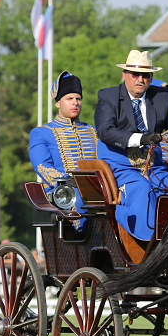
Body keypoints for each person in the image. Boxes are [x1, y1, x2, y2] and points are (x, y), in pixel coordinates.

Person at [95, 50, 168, 242]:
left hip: (155, 167)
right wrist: (141, 139)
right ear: (124, 75)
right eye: (135, 74)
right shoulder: (108, 96)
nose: (140, 79)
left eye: (145, 75)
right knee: (142, 188)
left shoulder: (161, 97)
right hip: (122, 166)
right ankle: (148, 241)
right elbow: (105, 131)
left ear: (151, 77)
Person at [28, 71, 100, 229]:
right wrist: (70, 181)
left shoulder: (94, 131)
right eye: (69, 98)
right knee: (81, 198)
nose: (75, 102)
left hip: (97, 188)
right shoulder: (41, 133)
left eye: (78, 98)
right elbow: (42, 167)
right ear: (58, 103)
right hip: (63, 191)